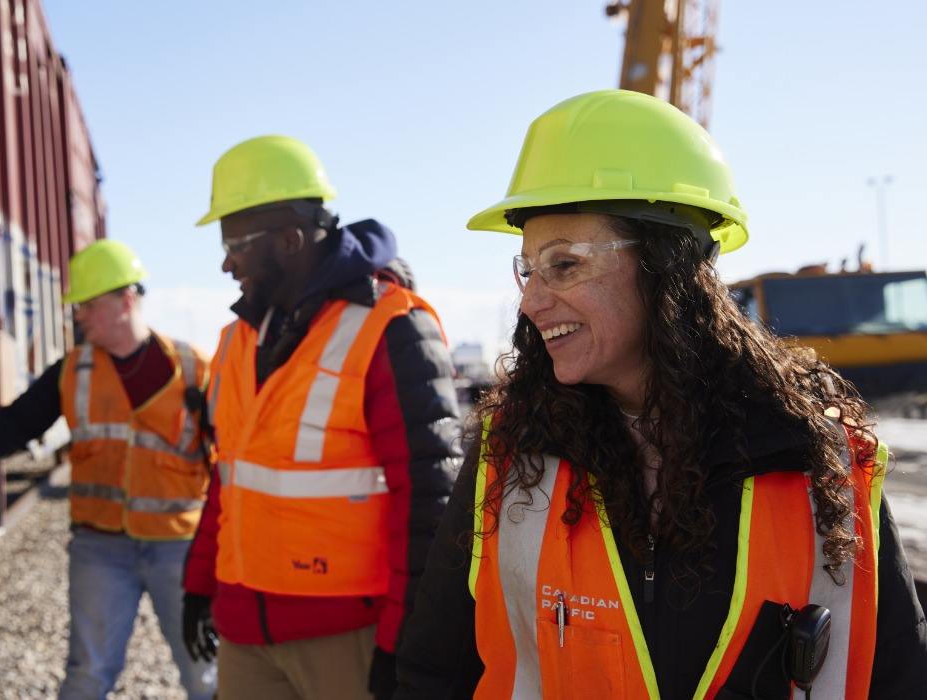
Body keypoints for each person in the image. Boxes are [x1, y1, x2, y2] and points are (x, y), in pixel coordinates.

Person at [394, 89, 927, 699]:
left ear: (665, 266)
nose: (530, 301)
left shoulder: (823, 460)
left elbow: (900, 678)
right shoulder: (508, 455)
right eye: (528, 268)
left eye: (563, 265)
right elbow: (433, 673)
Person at [181, 135, 462, 700]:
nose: (225, 261)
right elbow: (229, 477)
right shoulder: (237, 340)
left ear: (290, 240)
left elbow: (431, 502)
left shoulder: (391, 327)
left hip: (348, 637)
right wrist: (199, 586)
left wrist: (405, 639)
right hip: (246, 634)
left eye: (235, 243)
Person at [0, 239, 217, 700]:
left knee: (203, 671)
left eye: (88, 305)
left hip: (178, 547)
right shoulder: (74, 371)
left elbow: (228, 458)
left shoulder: (195, 369)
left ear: (126, 301)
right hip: (101, 546)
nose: (79, 315)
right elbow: (17, 424)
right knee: (87, 674)